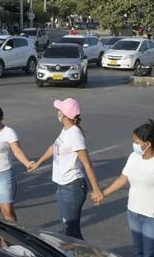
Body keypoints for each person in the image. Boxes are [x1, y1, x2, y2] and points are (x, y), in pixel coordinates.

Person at [99, 119, 154, 257]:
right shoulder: (134, 157)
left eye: (136, 141)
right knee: (139, 254)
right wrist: (104, 194)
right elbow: (123, 178)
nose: (133, 144)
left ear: (147, 144)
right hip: (134, 213)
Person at [28, 98, 104, 240]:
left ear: (64, 115)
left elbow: (87, 163)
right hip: (63, 186)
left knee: (71, 232)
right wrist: (38, 163)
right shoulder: (66, 130)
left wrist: (97, 190)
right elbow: (54, 147)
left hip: (72, 187)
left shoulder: (74, 134)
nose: (58, 112)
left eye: (60, 110)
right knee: (69, 230)